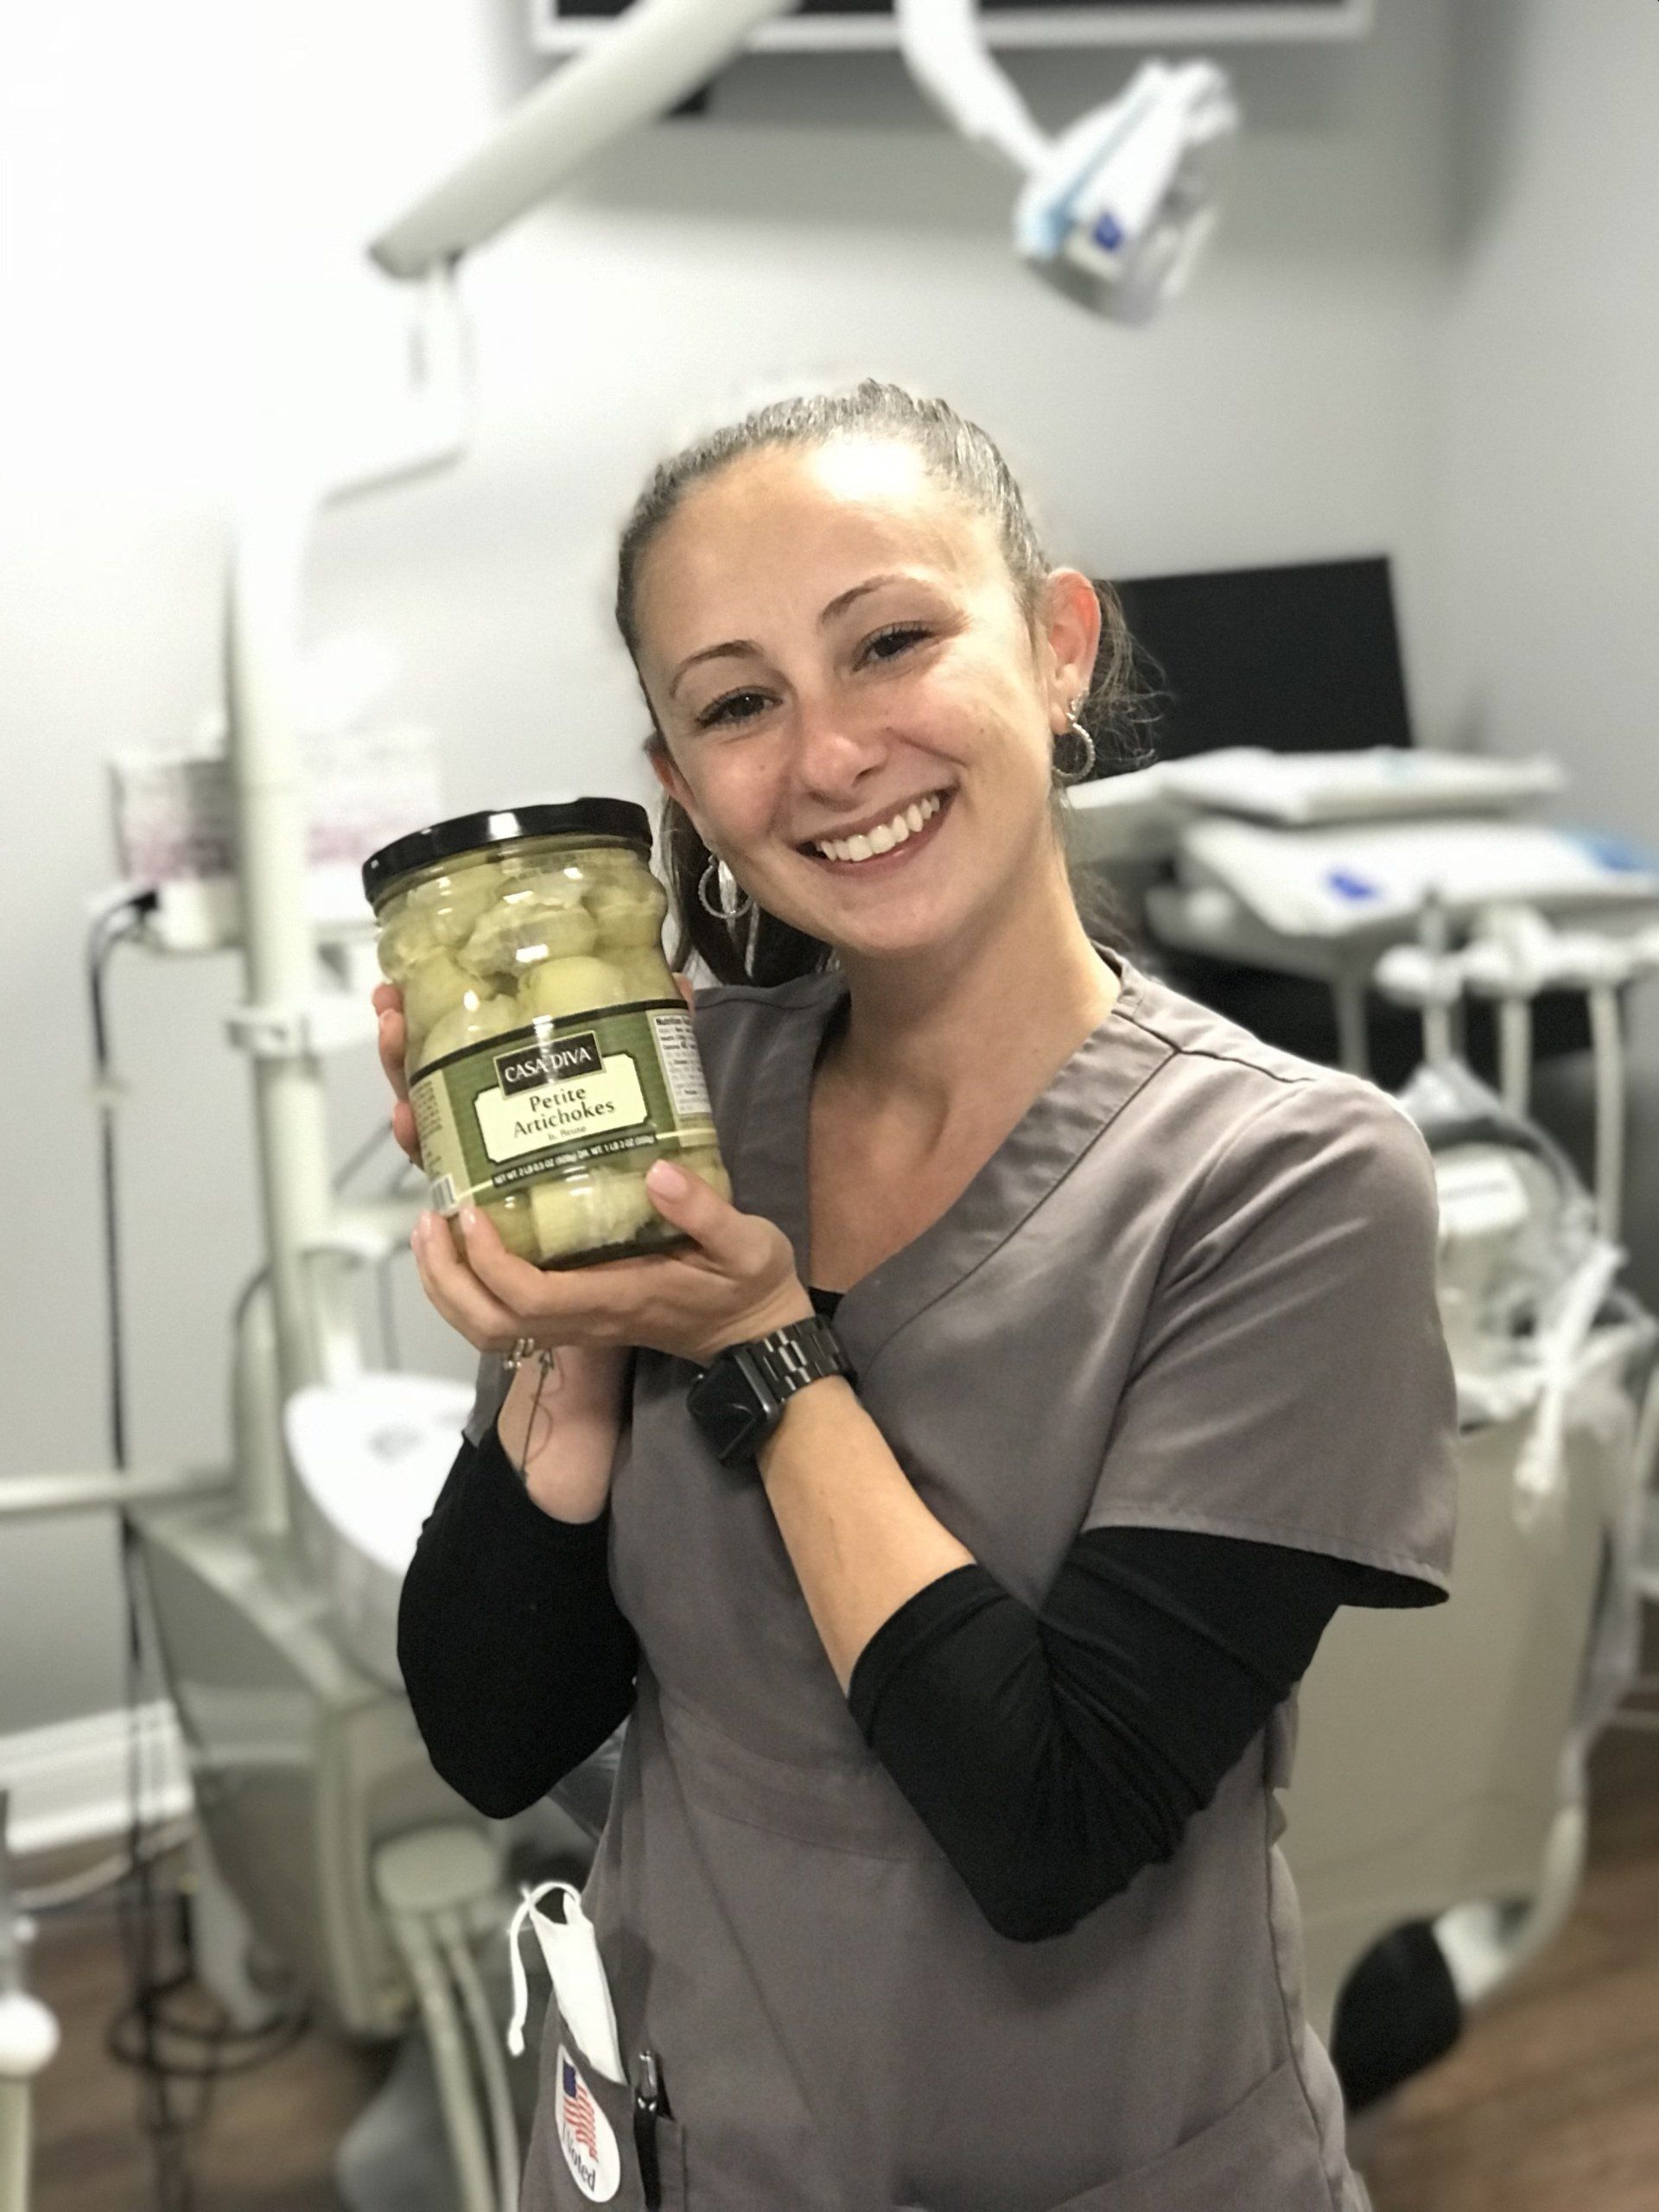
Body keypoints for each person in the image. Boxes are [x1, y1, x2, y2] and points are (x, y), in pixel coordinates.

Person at [379, 382, 1457, 2212]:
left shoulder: (1287, 1180)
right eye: (737, 702)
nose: (828, 756)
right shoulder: (682, 1106)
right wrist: (566, 1333)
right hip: (694, 2147)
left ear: (1054, 644)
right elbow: (496, 1738)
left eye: (889, 641)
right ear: (680, 790)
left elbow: (1048, 1820)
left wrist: (757, 1348)